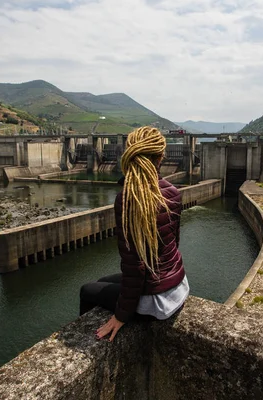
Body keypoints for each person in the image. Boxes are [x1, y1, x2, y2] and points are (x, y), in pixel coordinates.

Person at [79, 126, 189, 342]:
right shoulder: (173, 192)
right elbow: (174, 243)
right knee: (103, 280)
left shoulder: (128, 200)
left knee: (87, 290)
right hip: (178, 287)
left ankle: (90, 345)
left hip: (157, 301)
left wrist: (121, 315)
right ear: (161, 158)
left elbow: (134, 266)